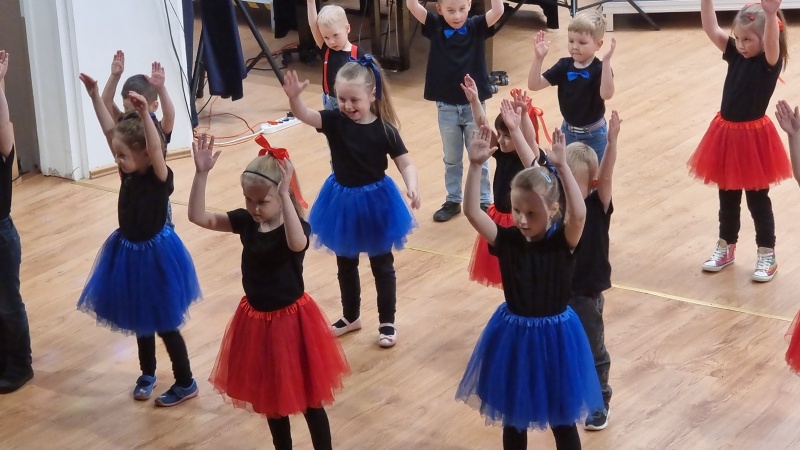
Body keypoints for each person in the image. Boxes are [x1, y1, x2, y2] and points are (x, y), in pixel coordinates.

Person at [189, 134, 349, 450]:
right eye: (249, 200)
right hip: (257, 323)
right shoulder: (246, 222)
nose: (254, 208)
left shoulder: (295, 227)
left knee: (310, 400)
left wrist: (286, 196)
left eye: (262, 201)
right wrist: (201, 174)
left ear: (282, 195)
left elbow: (297, 244)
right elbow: (198, 217)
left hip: (292, 323)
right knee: (272, 401)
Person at [456, 126, 603, 449]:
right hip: (515, 337)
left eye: (531, 213)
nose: (522, 219)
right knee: (514, 418)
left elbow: (579, 215)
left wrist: (562, 167)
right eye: (517, 211)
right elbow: (471, 212)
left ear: (552, 210)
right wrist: (476, 165)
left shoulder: (562, 242)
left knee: (563, 420)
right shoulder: (507, 240)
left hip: (556, 339)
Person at [76, 73, 201, 406]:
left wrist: (146, 114)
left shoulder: (159, 176)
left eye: (122, 156)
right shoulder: (127, 171)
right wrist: (94, 96)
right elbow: (109, 131)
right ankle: (147, 373)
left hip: (156, 256)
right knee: (140, 318)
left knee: (165, 324)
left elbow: (156, 146)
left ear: (145, 153)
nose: (116, 160)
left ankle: (186, 381)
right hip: (128, 252)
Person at [282, 56, 420, 348]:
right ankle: (350, 316)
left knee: (382, 264)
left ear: (372, 95)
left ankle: (387, 321)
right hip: (342, 201)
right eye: (341, 99)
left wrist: (412, 186)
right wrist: (294, 99)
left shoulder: (385, 130)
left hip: (377, 202)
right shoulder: (335, 121)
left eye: (354, 100)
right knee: (345, 263)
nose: (347, 106)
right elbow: (306, 115)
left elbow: (405, 162)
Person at [688, 0, 790, 282]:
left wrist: (770, 14)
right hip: (726, 135)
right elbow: (711, 28)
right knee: (727, 198)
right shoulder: (734, 54)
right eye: (738, 38)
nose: (741, 45)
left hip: (753, 140)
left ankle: (767, 253)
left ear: (764, 39)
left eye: (747, 39)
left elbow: (772, 44)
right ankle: (726, 246)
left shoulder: (769, 63)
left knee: (758, 200)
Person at [406, 0, 504, 222]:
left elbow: (498, 10)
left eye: (461, 9)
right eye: (450, 11)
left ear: (469, 4)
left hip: (474, 107)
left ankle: (484, 200)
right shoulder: (435, 25)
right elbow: (412, 6)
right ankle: (453, 199)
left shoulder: (477, 26)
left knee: (480, 155)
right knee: (451, 157)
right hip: (446, 107)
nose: (457, 16)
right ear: (439, 9)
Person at [564, 110, 621, 431]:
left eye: (575, 181)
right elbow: (532, 161)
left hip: (587, 293)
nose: (568, 187)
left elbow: (607, 177)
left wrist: (611, 143)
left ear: (591, 184)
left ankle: (599, 402)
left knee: (593, 350)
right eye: (564, 179)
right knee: (562, 348)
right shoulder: (556, 208)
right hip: (560, 292)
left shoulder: (598, 206)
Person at [461, 75, 538, 288]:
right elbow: (483, 125)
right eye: (501, 135)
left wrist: (523, 116)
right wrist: (475, 100)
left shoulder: (528, 157)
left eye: (508, 136)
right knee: (504, 267)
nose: (502, 140)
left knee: (520, 270)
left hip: (516, 221)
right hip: (498, 216)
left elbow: (530, 139)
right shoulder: (501, 153)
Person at [528, 10, 616, 163]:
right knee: (566, 174)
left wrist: (606, 62)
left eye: (582, 43)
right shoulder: (564, 65)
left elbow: (606, 95)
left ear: (598, 44)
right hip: (568, 132)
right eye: (571, 41)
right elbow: (534, 85)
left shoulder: (600, 69)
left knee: (597, 175)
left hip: (594, 134)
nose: (575, 46)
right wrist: (538, 58)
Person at [0, 51, 33, 394]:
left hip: (1, 238)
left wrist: (0, 82)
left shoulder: (3, 152)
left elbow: (4, 126)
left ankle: (21, 365)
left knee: (8, 305)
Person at [307, 2, 364, 110]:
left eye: (335, 35)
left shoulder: (358, 53)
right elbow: (313, 26)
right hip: (330, 101)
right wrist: (310, 2)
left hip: (350, 104)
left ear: (347, 28)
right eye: (326, 37)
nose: (331, 41)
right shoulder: (326, 49)